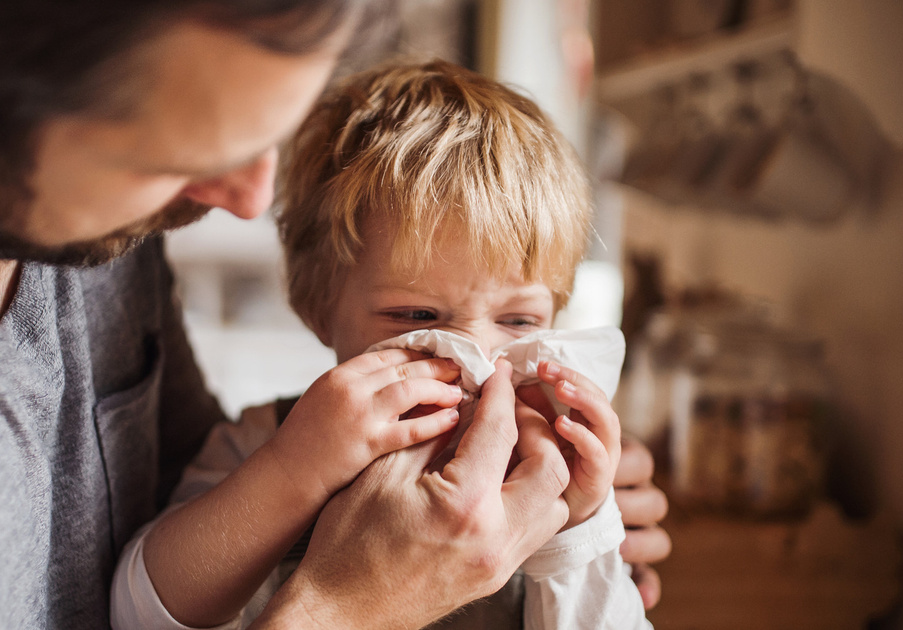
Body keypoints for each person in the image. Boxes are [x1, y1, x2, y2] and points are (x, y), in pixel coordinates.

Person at [0, 1, 668, 628]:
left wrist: (579, 537)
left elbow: (173, 491)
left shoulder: (88, 210)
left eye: (265, 134)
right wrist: (344, 605)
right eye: (177, 154)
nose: (248, 199)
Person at [113, 59, 652, 630]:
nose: (473, 359)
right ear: (319, 308)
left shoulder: (545, 466)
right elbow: (137, 614)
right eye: (418, 316)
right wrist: (295, 470)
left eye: (518, 322)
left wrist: (582, 525)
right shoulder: (268, 442)